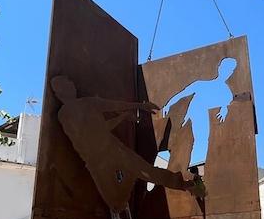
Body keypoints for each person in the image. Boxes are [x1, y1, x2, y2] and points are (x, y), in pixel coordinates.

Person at [51, 75, 197, 210]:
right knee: (116, 205)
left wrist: (136, 108)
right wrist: (136, 108)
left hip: (113, 149)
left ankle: (183, 184)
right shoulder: (65, 114)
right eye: (67, 85)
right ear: (60, 93)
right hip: (96, 162)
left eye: (70, 84)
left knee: (148, 172)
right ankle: (132, 175)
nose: (72, 86)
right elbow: (92, 133)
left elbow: (113, 108)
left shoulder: (88, 103)